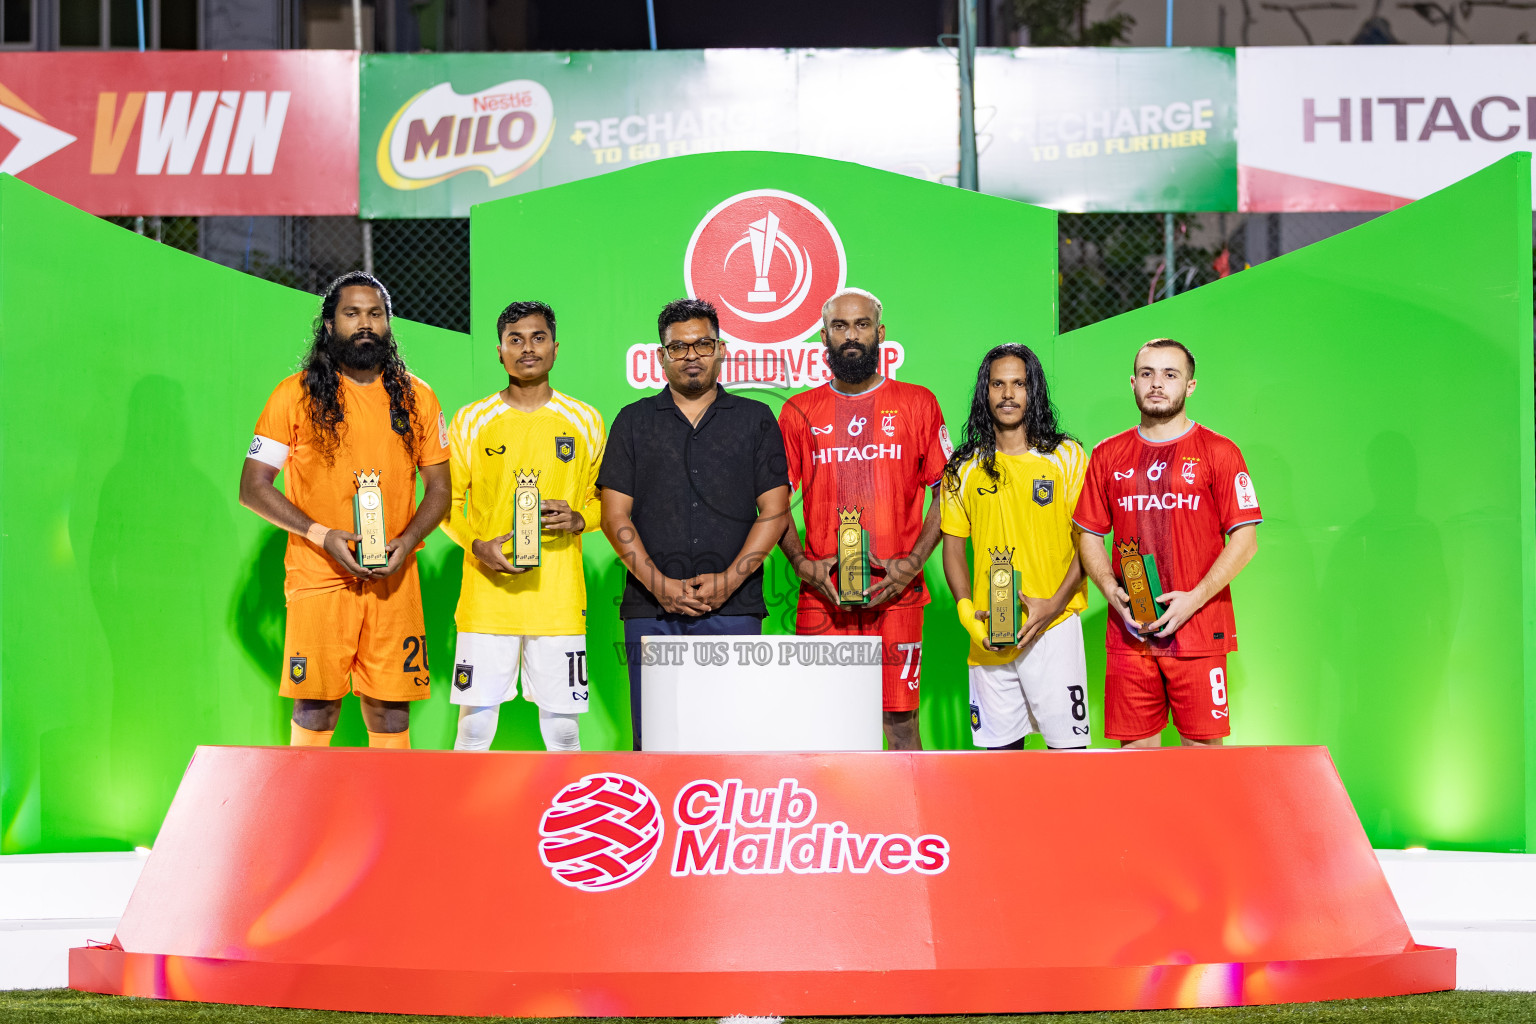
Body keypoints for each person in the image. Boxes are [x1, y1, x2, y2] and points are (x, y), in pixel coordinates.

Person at [239, 271, 451, 748]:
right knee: (316, 707)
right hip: (319, 576)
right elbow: (253, 487)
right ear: (330, 324)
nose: (365, 324)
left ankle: (390, 821)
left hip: (393, 578)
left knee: (390, 711)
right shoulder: (292, 394)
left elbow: (440, 490)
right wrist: (321, 535)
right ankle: (307, 820)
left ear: (388, 324)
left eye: (375, 314)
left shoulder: (419, 396)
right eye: (351, 313)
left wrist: (409, 541)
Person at [598, 298, 790, 750]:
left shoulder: (755, 420)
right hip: (651, 610)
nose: (691, 356)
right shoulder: (633, 421)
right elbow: (613, 515)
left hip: (736, 609)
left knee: (735, 740)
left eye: (702, 344)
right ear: (660, 356)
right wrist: (659, 585)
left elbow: (776, 510)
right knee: (656, 743)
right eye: (678, 347)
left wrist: (730, 580)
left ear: (721, 350)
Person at [777, 288, 951, 751]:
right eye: (839, 326)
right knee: (822, 726)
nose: (850, 336)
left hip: (897, 593)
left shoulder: (919, 403)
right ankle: (835, 826)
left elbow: (946, 491)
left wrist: (912, 562)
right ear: (823, 337)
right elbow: (772, 501)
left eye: (861, 325)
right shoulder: (797, 410)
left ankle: (907, 825)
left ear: (880, 334)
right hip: (823, 594)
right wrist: (801, 564)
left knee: (901, 725)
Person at [1073, 338, 1261, 748]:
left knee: (1202, 758)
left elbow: (1245, 539)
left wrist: (1195, 597)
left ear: (1190, 386)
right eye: (1147, 374)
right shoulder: (1107, 455)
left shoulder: (1220, 452)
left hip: (1199, 630)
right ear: (1133, 383)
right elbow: (1087, 534)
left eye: (1170, 374)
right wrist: (1111, 592)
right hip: (1131, 634)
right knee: (1137, 761)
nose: (1157, 383)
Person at [440, 301, 604, 752]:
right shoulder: (471, 420)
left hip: (558, 600)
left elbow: (604, 503)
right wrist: (476, 546)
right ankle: (461, 824)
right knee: (474, 728)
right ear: (499, 351)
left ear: (554, 348)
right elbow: (446, 504)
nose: (526, 348)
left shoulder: (586, 420)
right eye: (515, 339)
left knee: (564, 731)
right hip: (488, 599)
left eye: (537, 338)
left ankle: (569, 821)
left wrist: (578, 519)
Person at [940, 344, 1090, 751]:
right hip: (991, 633)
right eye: (998, 384)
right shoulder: (962, 467)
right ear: (984, 392)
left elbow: (1088, 544)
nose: (1008, 394)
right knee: (1000, 762)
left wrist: (1054, 605)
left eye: (1019, 383)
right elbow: (953, 548)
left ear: (1033, 390)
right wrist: (967, 613)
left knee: (1069, 758)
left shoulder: (1067, 457)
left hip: (1054, 630)